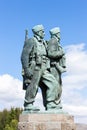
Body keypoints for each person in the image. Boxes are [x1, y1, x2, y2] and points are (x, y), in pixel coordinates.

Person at [21, 24, 58, 112]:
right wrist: (26, 69)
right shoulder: (31, 41)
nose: (44, 33)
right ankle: (28, 104)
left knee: (53, 83)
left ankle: (50, 103)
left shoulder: (44, 42)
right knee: (33, 85)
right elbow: (24, 55)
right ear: (38, 32)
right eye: (42, 31)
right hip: (35, 67)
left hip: (44, 67)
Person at [47, 27, 66, 109]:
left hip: (56, 68)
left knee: (58, 85)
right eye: (59, 33)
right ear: (57, 34)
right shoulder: (53, 41)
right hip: (54, 67)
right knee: (55, 85)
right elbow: (51, 53)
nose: (60, 35)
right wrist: (61, 52)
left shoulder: (56, 42)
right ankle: (53, 103)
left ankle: (56, 103)